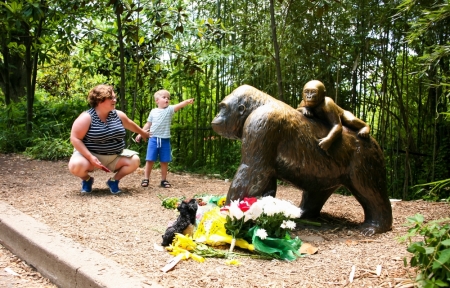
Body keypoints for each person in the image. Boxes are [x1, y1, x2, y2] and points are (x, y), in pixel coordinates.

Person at [68, 84, 150, 194]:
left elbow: (130, 124)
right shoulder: (87, 117)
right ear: (99, 100)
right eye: (111, 98)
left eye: (115, 97)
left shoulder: (118, 115)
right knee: (75, 166)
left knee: (135, 160)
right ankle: (86, 180)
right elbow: (75, 138)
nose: (115, 100)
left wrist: (143, 133)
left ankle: (113, 181)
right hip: (90, 156)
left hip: (114, 157)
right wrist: (90, 157)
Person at [135, 89, 194, 188]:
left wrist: (187, 102)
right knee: (150, 160)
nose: (167, 99)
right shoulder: (153, 111)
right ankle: (146, 179)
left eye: (168, 98)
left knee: (164, 160)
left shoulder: (170, 109)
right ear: (157, 101)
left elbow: (179, 105)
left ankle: (163, 180)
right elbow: (148, 124)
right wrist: (140, 133)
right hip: (153, 139)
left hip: (165, 140)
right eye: (164, 97)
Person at [297, 80, 370, 151]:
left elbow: (337, 125)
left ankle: (365, 126)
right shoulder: (304, 102)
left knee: (351, 121)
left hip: (342, 115)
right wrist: (303, 109)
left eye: (313, 92)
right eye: (306, 92)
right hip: (323, 122)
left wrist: (329, 139)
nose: (309, 96)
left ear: (323, 94)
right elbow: (296, 112)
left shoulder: (327, 104)